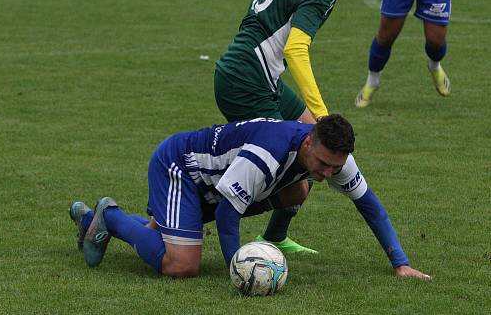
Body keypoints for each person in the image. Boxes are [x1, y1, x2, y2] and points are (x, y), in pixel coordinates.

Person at [204, 0, 386, 254]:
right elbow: (295, 48)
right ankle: (199, 214)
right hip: (246, 80)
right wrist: (322, 115)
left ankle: (274, 236)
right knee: (298, 172)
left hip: (255, 74)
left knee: (306, 152)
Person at [69, 114, 431, 281]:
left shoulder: (335, 159)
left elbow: (369, 205)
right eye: (322, 164)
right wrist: (237, 268)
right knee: (182, 264)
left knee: (299, 187)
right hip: (181, 167)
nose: (326, 174)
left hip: (216, 181)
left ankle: (94, 219)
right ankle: (109, 216)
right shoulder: (269, 152)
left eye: (333, 169)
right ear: (309, 142)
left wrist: (399, 263)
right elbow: (229, 214)